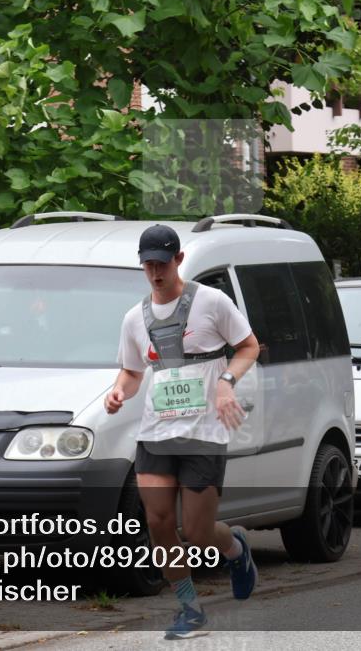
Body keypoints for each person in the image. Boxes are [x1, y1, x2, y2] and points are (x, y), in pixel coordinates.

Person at [104, 224, 261, 640]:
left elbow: (249, 347)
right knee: (158, 523)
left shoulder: (211, 302)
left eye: (161, 263)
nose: (155, 272)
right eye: (148, 265)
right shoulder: (134, 318)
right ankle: (190, 609)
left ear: (178, 260)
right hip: (156, 432)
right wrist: (119, 391)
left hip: (204, 433)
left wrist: (226, 381)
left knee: (197, 532)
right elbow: (133, 372)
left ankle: (235, 549)